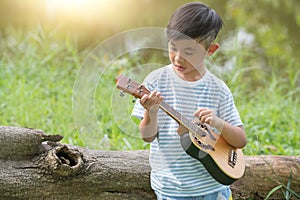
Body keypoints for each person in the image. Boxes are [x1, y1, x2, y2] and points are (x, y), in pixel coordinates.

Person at [131, 2, 247, 200]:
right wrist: (151, 112)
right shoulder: (156, 81)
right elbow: (147, 137)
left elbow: (240, 140)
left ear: (211, 50)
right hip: (170, 189)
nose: (178, 58)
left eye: (189, 52)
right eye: (173, 48)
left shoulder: (218, 90)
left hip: (213, 190)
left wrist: (218, 123)